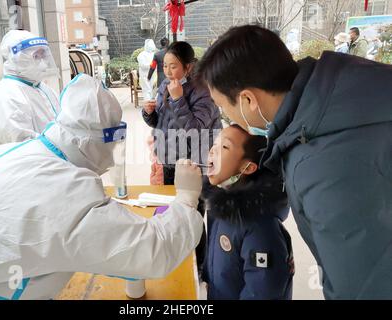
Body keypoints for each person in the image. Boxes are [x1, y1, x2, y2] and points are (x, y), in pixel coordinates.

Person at [0, 74, 204, 300]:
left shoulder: (4, 155)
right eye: (114, 140)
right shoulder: (67, 191)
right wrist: (186, 199)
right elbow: (152, 250)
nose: (115, 150)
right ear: (92, 141)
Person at [197, 25, 392, 299]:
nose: (229, 119)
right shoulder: (346, 83)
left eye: (224, 109)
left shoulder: (318, 166)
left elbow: (363, 286)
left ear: (248, 100)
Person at [201, 125, 293, 300]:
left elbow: (263, 291)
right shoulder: (222, 202)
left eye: (224, 147)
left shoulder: (261, 228)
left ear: (248, 168)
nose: (213, 150)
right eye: (215, 143)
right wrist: (208, 278)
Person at [142, 41, 222, 185]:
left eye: (173, 66)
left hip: (194, 162)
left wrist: (178, 99)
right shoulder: (165, 85)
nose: (167, 71)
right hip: (169, 157)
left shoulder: (203, 90)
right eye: (165, 66)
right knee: (170, 202)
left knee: (191, 202)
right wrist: (149, 113)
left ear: (188, 67)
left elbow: (195, 130)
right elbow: (160, 122)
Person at [0, 30, 61, 145]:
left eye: (42, 56)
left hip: (52, 157)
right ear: (17, 58)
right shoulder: (6, 95)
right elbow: (22, 144)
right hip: (34, 160)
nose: (43, 63)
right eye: (36, 56)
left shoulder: (41, 87)